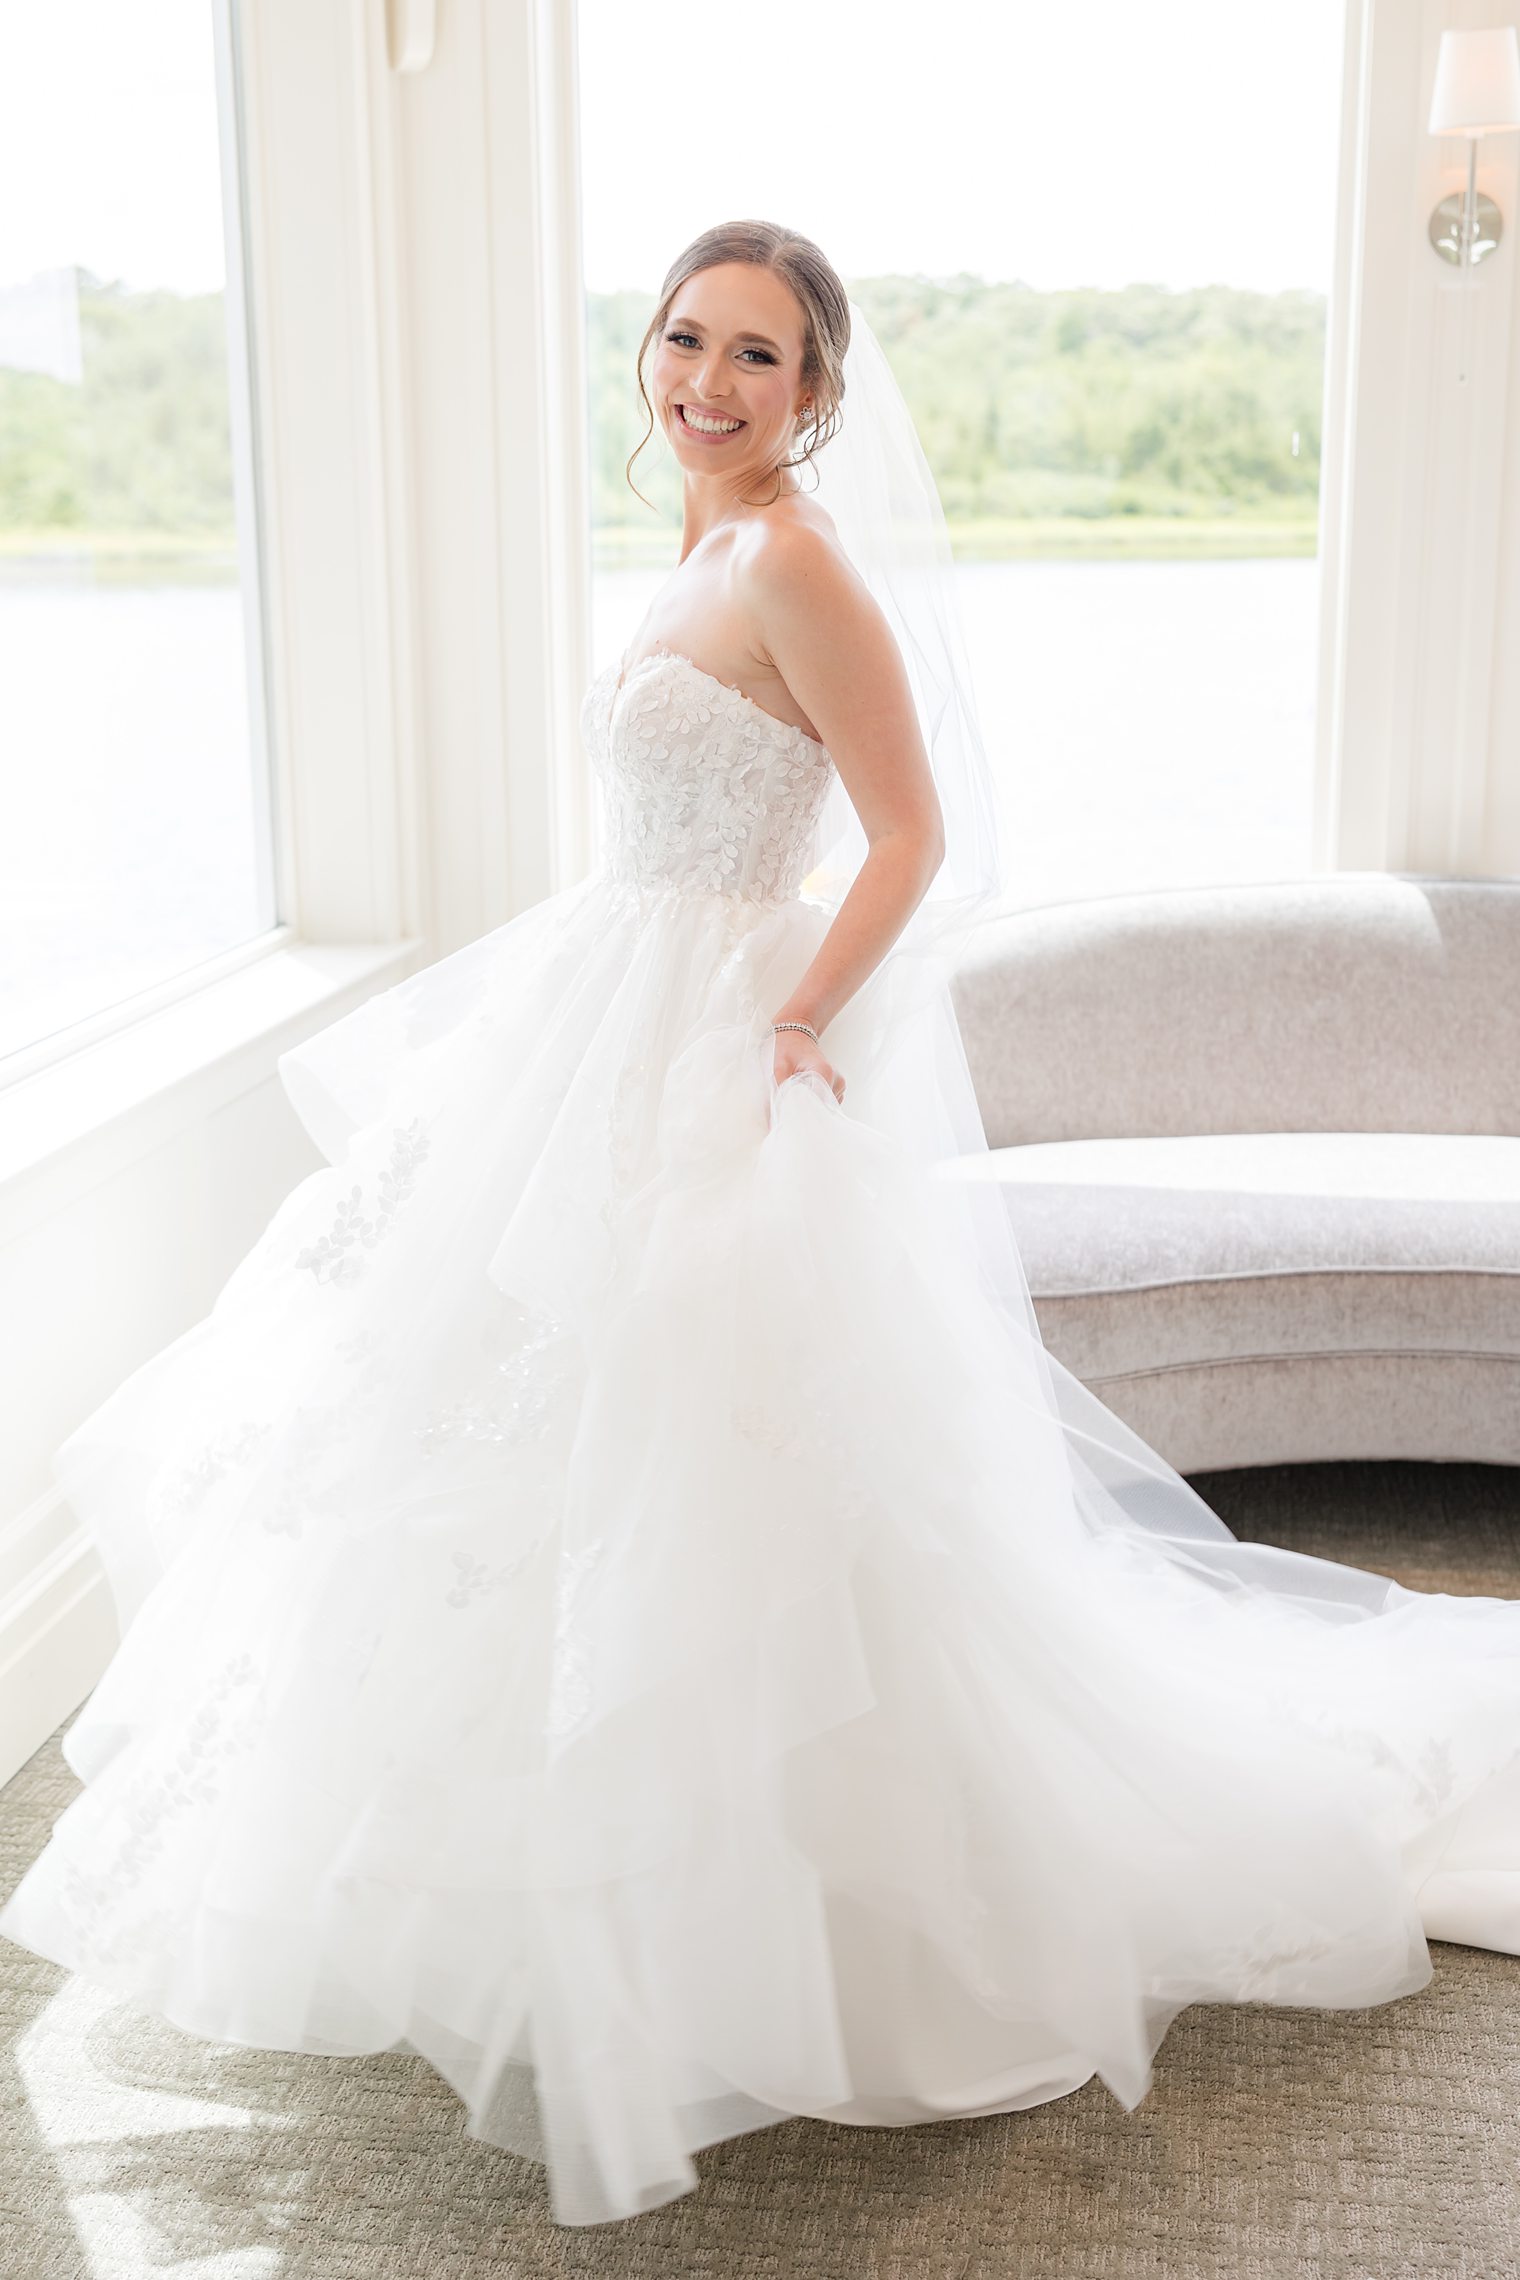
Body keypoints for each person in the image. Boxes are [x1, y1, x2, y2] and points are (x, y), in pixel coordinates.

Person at [2, 219, 1516, 2233]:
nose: (708, 381)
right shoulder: (708, 539)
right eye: (686, 339)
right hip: (604, 1018)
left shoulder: (796, 555)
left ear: (817, 391)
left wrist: (794, 1013)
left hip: (712, 1040)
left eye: (759, 356)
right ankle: (542, 1889)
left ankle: (782, 1915)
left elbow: (911, 833)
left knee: (714, 1481)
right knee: (499, 1449)